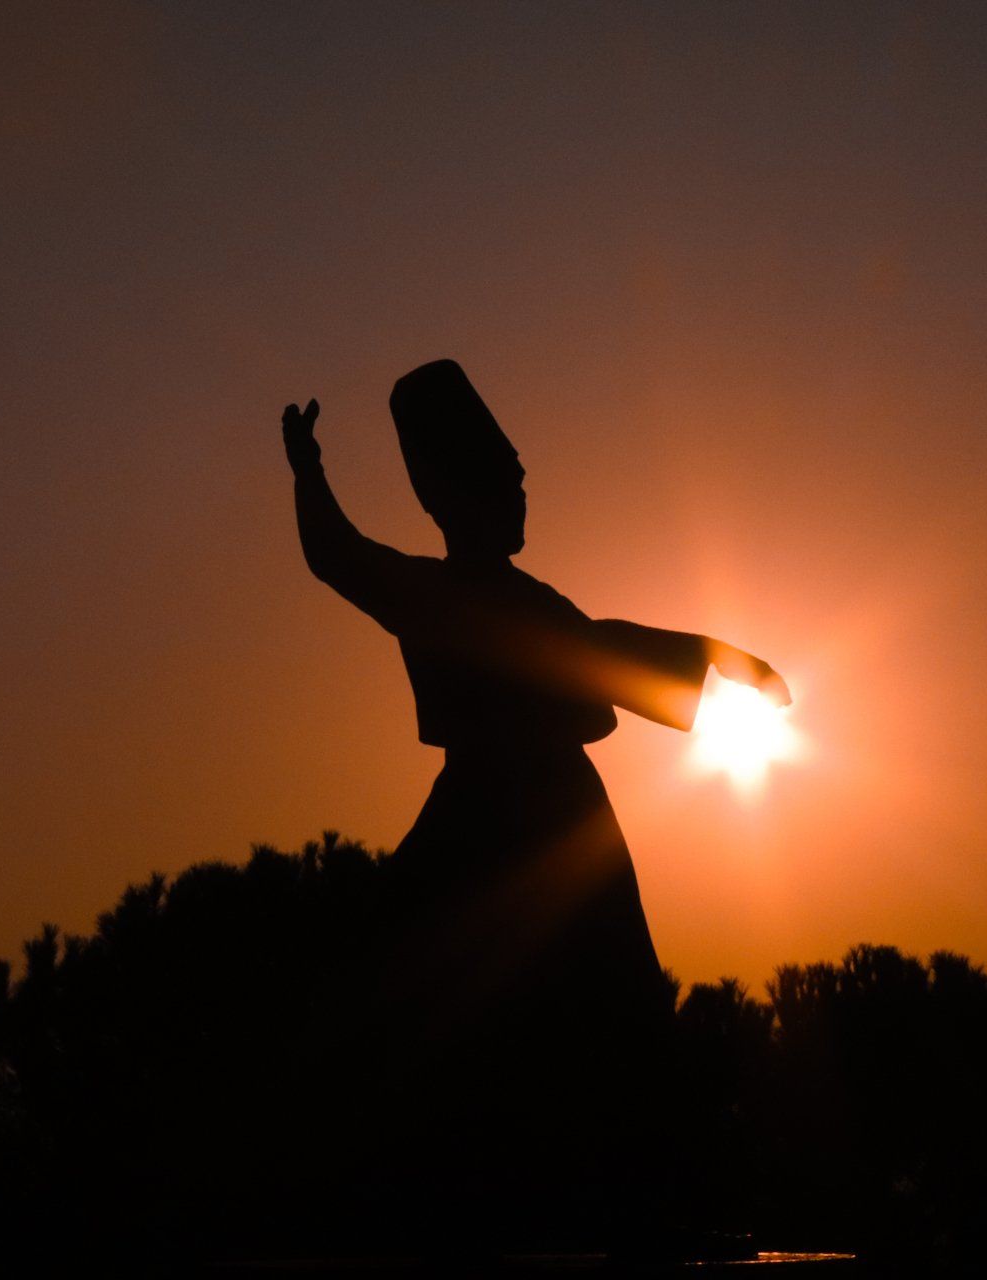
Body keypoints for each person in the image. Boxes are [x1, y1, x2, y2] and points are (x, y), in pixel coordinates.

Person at [280, 360, 787, 1252]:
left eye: (518, 472)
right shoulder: (432, 595)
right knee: (408, 987)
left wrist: (718, 655)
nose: (521, 487)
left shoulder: (535, 602)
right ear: (450, 490)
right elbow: (340, 556)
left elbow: (597, 649)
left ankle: (632, 1193)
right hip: (490, 812)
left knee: (611, 1006)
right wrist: (310, 477)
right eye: (503, 474)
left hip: (561, 818)